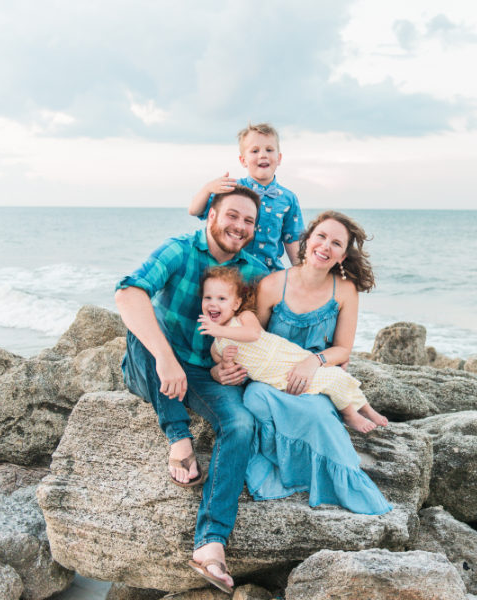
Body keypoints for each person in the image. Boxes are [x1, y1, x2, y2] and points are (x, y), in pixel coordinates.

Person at [115, 185, 267, 593]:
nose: (240, 226)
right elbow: (127, 292)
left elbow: (261, 336)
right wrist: (165, 358)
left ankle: (210, 543)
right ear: (212, 215)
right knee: (144, 325)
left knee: (240, 424)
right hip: (153, 365)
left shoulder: (253, 272)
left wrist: (231, 370)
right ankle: (178, 437)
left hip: (204, 376)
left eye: (249, 220)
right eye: (232, 215)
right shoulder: (180, 249)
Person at [237, 211, 393, 514]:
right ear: (307, 241)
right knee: (255, 401)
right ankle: (283, 469)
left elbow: (343, 349)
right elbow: (252, 338)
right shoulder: (272, 285)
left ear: (342, 256)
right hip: (271, 379)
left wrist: (313, 362)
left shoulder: (345, 290)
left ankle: (339, 483)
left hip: (316, 378)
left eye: (336, 243)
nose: (325, 246)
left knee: (319, 416)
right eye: (321, 236)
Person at [197, 266, 387, 433]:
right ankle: (350, 412)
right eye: (208, 298)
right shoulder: (217, 346)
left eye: (221, 298)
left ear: (236, 304)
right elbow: (226, 368)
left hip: (287, 356)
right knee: (328, 380)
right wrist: (227, 361)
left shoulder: (244, 318)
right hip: (274, 377)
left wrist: (219, 330)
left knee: (335, 373)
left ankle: (365, 410)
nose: (213, 303)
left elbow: (253, 333)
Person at [189, 122, 303, 272]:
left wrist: (302, 273)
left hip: (268, 273)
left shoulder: (288, 198)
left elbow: (293, 240)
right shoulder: (231, 189)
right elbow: (195, 210)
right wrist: (208, 189)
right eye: (254, 151)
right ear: (243, 160)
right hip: (230, 270)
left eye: (269, 150)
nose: (263, 155)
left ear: (279, 158)